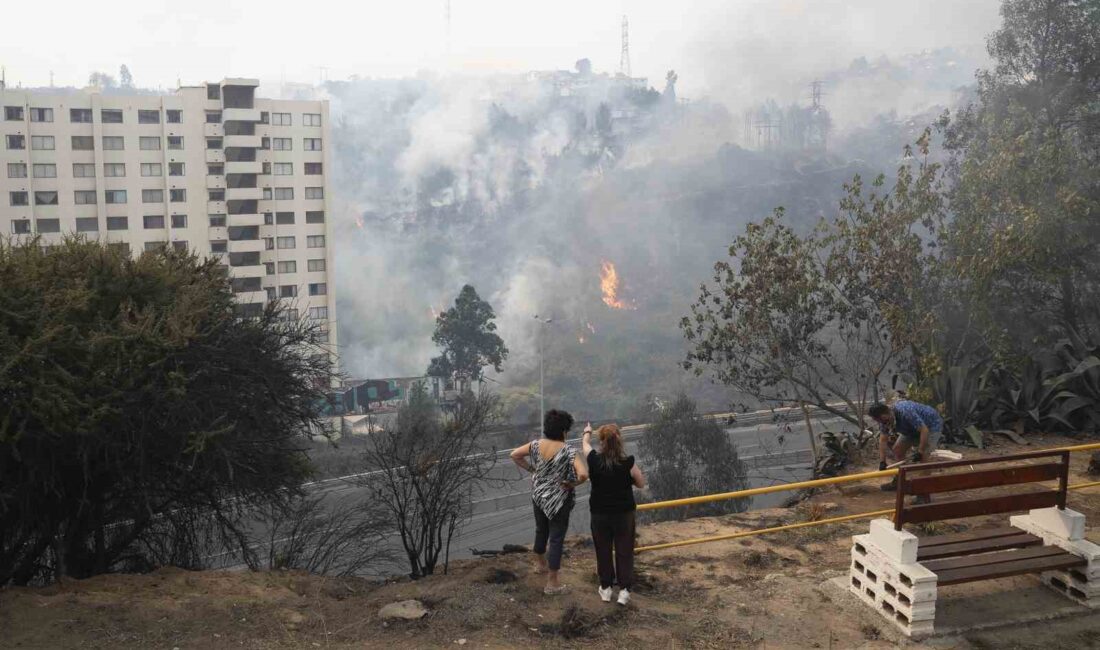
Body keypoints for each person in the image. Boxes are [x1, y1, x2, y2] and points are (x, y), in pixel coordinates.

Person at [510, 409, 588, 595]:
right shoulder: (569, 451)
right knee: (556, 538)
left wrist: (533, 470)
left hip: (538, 495)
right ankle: (552, 583)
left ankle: (540, 564)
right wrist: (572, 483)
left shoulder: (535, 445)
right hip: (559, 501)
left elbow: (514, 454)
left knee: (541, 530)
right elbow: (584, 474)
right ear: (563, 431)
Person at [582, 422, 646, 606]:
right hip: (624, 514)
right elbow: (640, 483)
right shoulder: (628, 462)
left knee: (603, 550)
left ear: (601, 442)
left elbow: (585, 446)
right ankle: (624, 591)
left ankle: (606, 588)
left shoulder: (594, 460)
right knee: (624, 550)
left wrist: (587, 432)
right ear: (619, 440)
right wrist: (627, 482)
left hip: (600, 513)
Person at [869, 400, 944, 496]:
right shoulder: (883, 420)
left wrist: (920, 451)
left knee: (924, 457)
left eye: (883, 419)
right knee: (897, 450)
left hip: (931, 426)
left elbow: (924, 430)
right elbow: (883, 440)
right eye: (879, 421)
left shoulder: (906, 412)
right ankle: (899, 482)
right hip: (911, 429)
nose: (883, 423)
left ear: (888, 412)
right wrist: (882, 461)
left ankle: (923, 492)